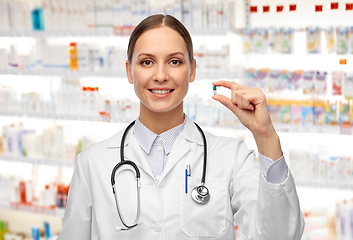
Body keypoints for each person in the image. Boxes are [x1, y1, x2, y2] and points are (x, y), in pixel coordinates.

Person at [57, 14, 304, 240]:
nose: (161, 75)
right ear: (129, 71)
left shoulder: (231, 158)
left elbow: (281, 235)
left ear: (192, 70)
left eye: (174, 61)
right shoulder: (91, 164)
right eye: (147, 62)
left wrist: (265, 136)